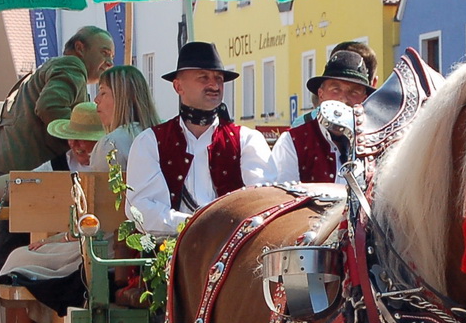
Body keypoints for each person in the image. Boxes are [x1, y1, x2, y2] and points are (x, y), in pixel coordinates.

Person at [123, 41, 274, 237]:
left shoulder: (248, 140)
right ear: (178, 86)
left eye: (218, 78)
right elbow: (140, 209)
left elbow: (265, 201)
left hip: (230, 251)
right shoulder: (150, 142)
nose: (214, 85)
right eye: (203, 78)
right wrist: (192, 224)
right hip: (168, 253)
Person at [0, 25, 114, 179]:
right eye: (105, 53)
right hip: (13, 170)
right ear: (79, 48)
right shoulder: (72, 66)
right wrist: (81, 141)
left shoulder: (54, 67)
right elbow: (50, 106)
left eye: (111, 56)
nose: (110, 62)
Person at [269, 49, 376, 184]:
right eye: (335, 90)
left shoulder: (375, 143)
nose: (343, 99)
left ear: (364, 99)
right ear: (321, 95)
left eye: (354, 92)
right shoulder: (293, 141)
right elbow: (282, 198)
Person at [88, 64, 159, 175]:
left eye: (103, 93)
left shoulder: (111, 144)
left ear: (122, 98)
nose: (96, 99)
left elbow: (100, 189)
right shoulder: (162, 136)